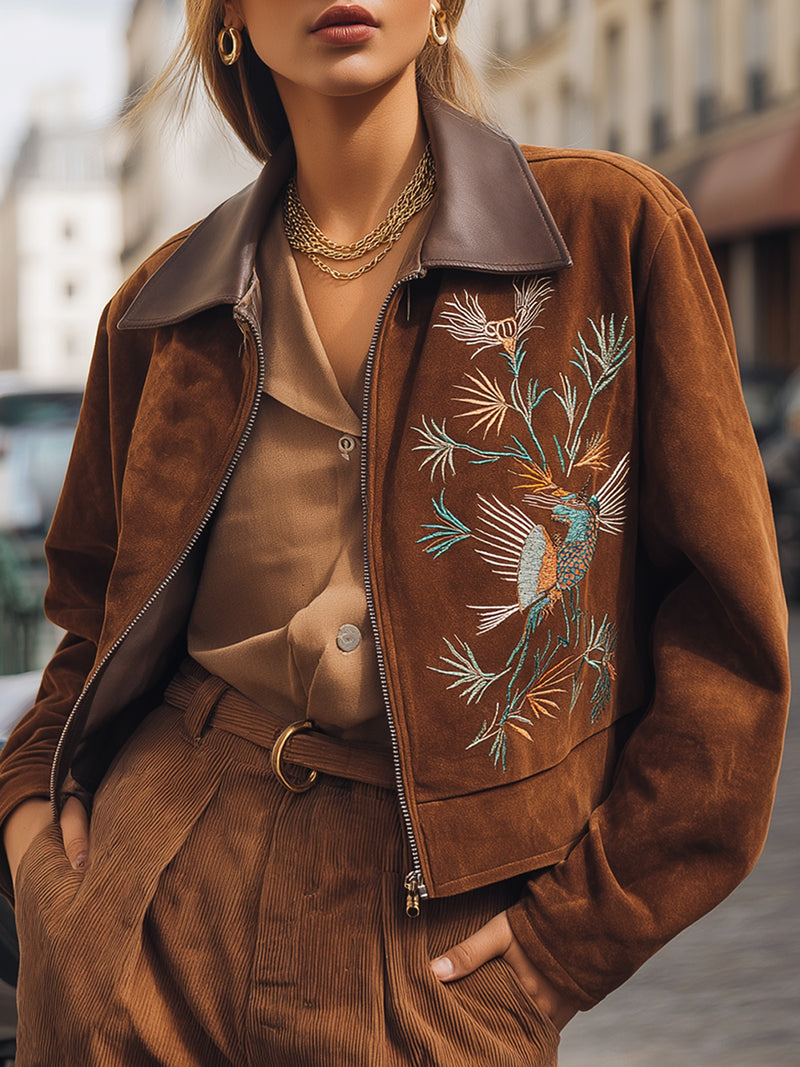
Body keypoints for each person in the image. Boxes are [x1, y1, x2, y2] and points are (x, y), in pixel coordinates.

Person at [0, 2, 790, 1064]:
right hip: (149, 912)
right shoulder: (157, 309)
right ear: (226, 18)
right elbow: (89, 626)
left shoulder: (607, 233)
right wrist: (34, 840)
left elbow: (728, 648)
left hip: (430, 951)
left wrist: (565, 944)